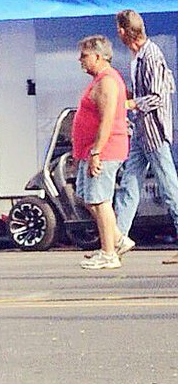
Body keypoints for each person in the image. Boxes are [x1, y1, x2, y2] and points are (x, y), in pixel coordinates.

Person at [111, 9, 178, 262]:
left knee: (170, 187)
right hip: (142, 132)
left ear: (122, 31)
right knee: (129, 184)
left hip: (154, 133)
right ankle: (117, 239)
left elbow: (158, 97)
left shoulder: (151, 56)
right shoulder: (138, 56)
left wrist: (128, 104)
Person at [72, 35, 130, 271]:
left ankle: (109, 254)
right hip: (91, 151)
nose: (80, 60)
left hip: (104, 151)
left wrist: (96, 151)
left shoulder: (107, 81)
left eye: (84, 56)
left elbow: (106, 121)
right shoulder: (99, 79)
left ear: (98, 56)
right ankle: (117, 239)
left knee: (101, 200)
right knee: (89, 198)